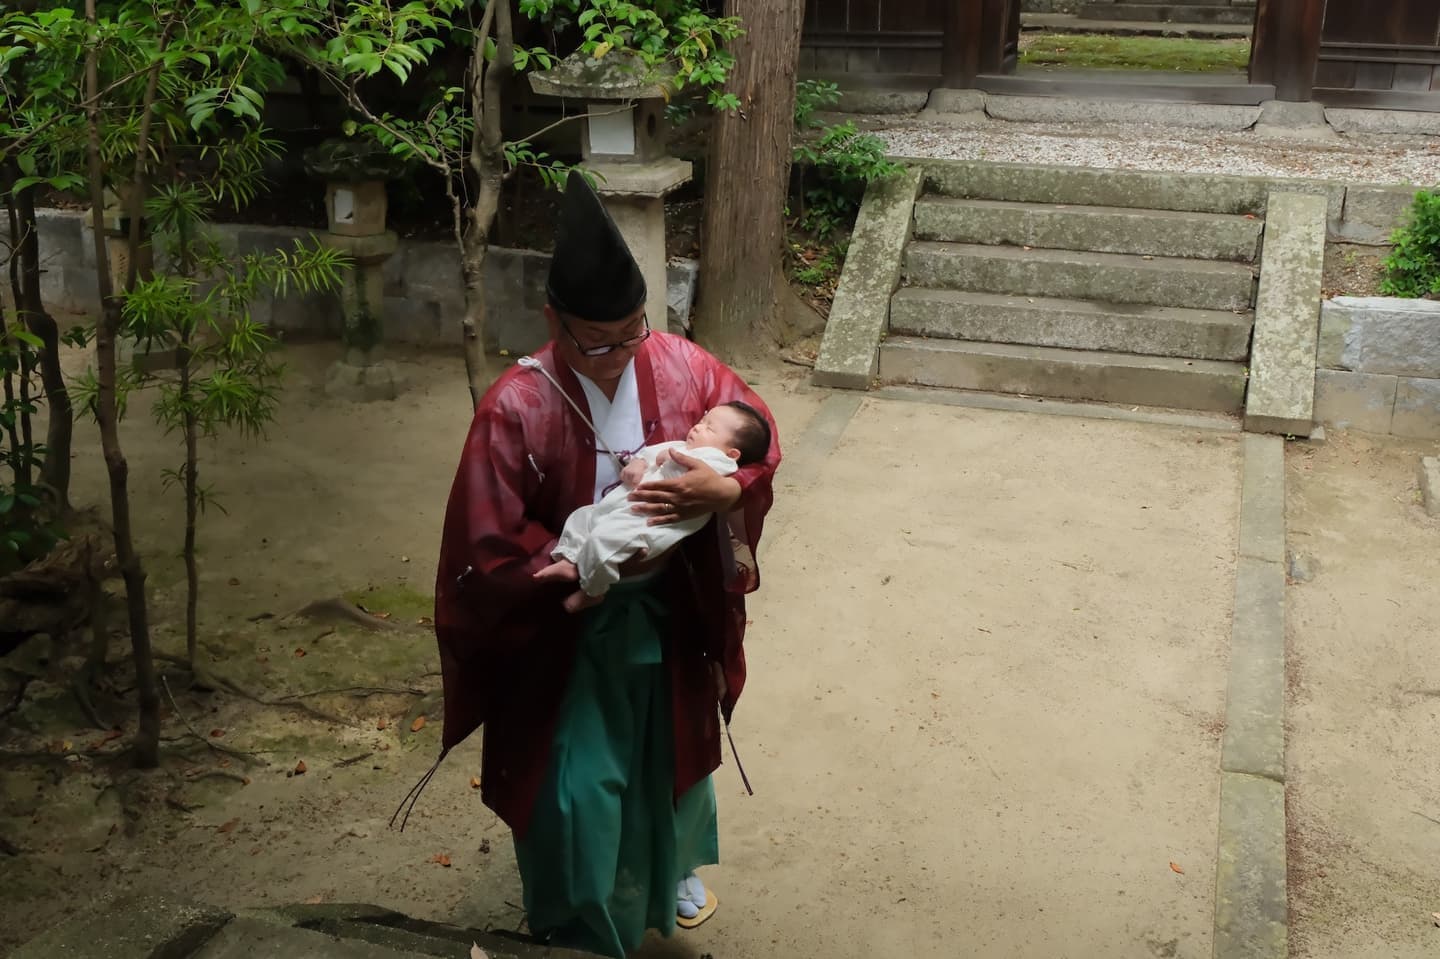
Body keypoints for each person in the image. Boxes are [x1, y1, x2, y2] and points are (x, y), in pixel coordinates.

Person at [426, 172, 781, 959]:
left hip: (666, 616)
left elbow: (756, 432)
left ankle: (669, 877)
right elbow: (485, 547)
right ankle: (578, 925)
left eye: (633, 331)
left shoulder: (683, 367)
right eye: (598, 339)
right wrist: (564, 571)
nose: (621, 353)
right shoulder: (515, 405)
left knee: (671, 764)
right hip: (563, 630)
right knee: (579, 792)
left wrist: (729, 484)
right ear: (554, 319)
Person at [534, 401, 772, 614]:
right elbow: (648, 454)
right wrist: (638, 463)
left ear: (732, 452)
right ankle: (570, 558)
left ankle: (593, 590)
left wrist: (667, 459)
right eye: (702, 420)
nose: (698, 427)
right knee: (583, 517)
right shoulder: (681, 445)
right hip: (625, 504)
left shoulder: (720, 462)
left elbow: (683, 467)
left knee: (603, 541)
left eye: (710, 428)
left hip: (648, 521)